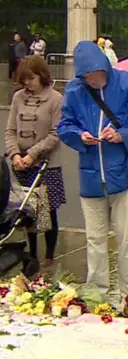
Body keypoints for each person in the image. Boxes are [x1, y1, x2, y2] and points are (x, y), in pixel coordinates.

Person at [57, 41, 128, 298]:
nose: (92, 80)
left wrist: (122, 135)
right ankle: (95, 292)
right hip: (90, 175)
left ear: (104, 67)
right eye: (87, 76)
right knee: (95, 239)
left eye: (95, 74)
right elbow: (65, 126)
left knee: (126, 239)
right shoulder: (75, 90)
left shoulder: (127, 83)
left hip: (122, 173)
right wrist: (81, 136)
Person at [4, 55, 66, 270]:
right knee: (26, 210)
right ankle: (31, 254)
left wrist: (32, 154)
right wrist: (15, 154)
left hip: (45, 164)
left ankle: (49, 255)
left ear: (41, 75)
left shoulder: (56, 99)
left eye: (30, 78)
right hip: (22, 163)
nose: (27, 83)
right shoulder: (18, 98)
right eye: (24, 80)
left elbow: (55, 133)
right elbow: (10, 130)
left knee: (45, 212)